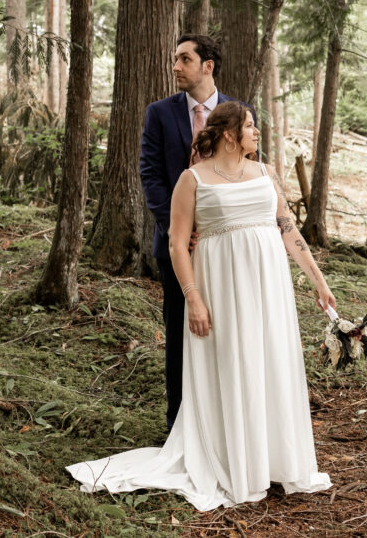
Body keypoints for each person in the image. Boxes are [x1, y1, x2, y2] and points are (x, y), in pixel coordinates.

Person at [67, 101, 334, 511]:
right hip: (221, 286)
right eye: (249, 126)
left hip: (269, 287)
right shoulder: (192, 180)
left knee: (270, 361)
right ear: (230, 134)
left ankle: (276, 460)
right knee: (233, 362)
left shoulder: (265, 173)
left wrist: (318, 280)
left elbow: (287, 228)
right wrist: (193, 297)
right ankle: (236, 463)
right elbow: (177, 243)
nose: (256, 132)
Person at [136, 34, 249, 433]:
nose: (175, 67)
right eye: (175, 59)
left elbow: (247, 175)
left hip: (228, 245)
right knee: (181, 328)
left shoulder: (239, 112)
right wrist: (178, 232)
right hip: (178, 247)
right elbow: (150, 176)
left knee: (228, 328)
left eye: (185, 59)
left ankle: (226, 422)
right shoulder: (159, 113)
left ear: (208, 66)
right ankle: (179, 424)